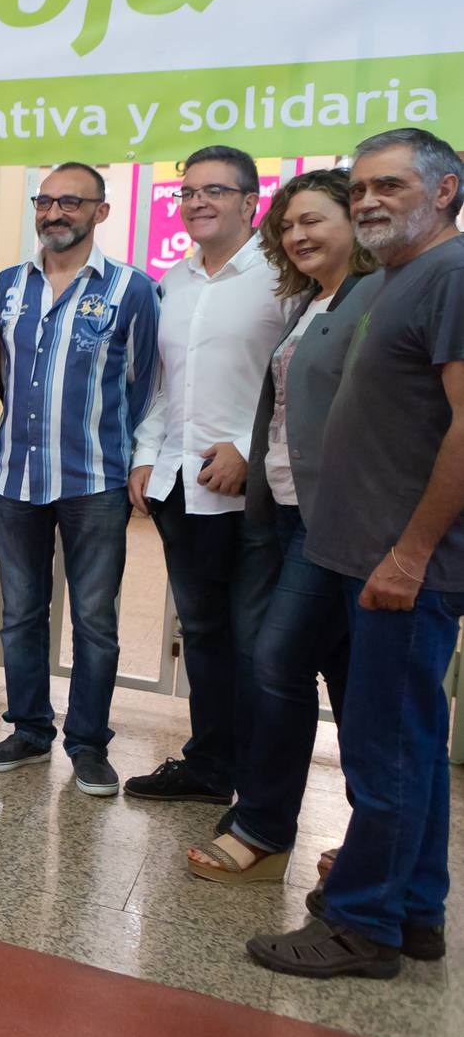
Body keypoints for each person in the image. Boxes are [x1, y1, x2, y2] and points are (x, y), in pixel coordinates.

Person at [250, 128, 464, 979]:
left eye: (392, 186)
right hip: (362, 552)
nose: (370, 200)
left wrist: (411, 554)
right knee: (403, 739)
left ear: (445, 192)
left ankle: (361, 926)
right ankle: (413, 908)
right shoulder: (400, 280)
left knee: (386, 750)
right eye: (364, 186)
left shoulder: (450, 275)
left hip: (400, 565)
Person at [187, 169, 380, 882]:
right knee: (337, 673)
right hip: (288, 513)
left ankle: (266, 827)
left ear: (354, 222)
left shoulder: (375, 299)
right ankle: (362, 836)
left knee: (277, 661)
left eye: (315, 220)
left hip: (337, 521)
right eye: (289, 225)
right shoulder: (310, 300)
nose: (298, 235)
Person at [0, 163, 159, 797]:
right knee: (21, 614)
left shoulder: (132, 290)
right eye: (45, 201)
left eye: (70, 203)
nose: (55, 213)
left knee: (95, 619)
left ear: (100, 212)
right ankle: (28, 730)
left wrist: (134, 457)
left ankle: (87, 744)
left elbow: (145, 386)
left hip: (95, 481)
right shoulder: (6, 287)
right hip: (14, 477)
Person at [124, 146, 290, 807]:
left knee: (258, 645)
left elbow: (296, 383)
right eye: (187, 192)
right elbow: (167, 388)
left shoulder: (283, 278)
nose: (196, 202)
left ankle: (262, 790)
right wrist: (146, 455)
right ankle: (210, 764)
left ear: (252, 202)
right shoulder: (175, 280)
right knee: (204, 636)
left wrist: (253, 453)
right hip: (180, 490)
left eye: (214, 191)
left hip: (254, 495)